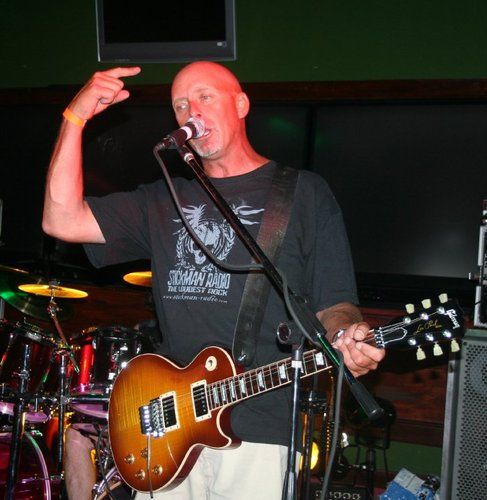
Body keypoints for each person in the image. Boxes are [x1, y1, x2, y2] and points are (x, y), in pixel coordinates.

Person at [42, 62, 385, 499]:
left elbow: (335, 302)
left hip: (259, 429)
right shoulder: (163, 197)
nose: (192, 112)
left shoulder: (303, 194)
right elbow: (61, 219)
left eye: (205, 97)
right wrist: (74, 118)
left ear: (240, 105)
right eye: (180, 105)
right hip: (167, 426)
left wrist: (346, 336)